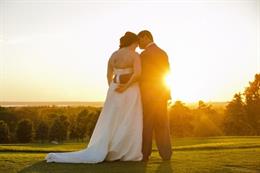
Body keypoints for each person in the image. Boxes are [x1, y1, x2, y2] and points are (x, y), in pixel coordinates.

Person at [45, 31, 143, 163]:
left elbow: (108, 75)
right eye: (136, 43)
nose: (137, 46)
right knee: (128, 119)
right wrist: (125, 87)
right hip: (130, 90)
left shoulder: (113, 55)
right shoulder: (134, 55)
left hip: (114, 90)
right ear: (133, 42)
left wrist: (112, 88)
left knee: (111, 120)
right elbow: (137, 74)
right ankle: (124, 152)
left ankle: (110, 148)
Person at [138, 30, 172, 161]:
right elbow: (167, 73)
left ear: (146, 37)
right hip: (162, 93)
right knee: (162, 124)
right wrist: (167, 93)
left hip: (148, 94)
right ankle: (166, 154)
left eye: (140, 40)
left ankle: (145, 154)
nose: (139, 43)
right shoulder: (163, 52)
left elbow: (142, 76)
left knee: (147, 124)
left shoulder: (145, 54)